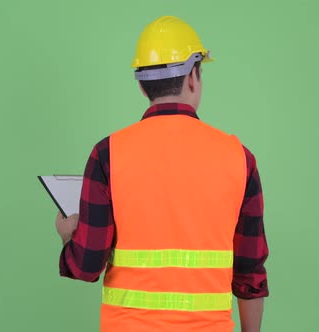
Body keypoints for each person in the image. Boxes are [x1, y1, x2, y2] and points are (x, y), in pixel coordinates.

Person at [55, 15, 269, 332]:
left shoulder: (107, 154)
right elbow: (250, 273)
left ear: (142, 86)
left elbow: (87, 265)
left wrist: (67, 234)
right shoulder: (239, 158)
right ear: (193, 78)